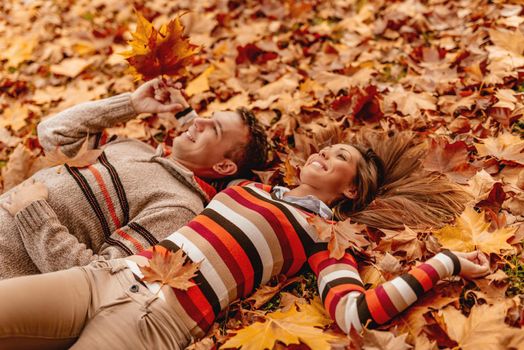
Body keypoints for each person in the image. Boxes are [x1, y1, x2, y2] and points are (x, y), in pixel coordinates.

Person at [0, 132, 490, 349]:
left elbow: (354, 315)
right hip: (104, 278)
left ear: (352, 188)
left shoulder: (326, 237)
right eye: (326, 146)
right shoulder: (245, 187)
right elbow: (187, 163)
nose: (323, 152)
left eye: (338, 156)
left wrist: (444, 264)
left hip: (152, 324)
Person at [0, 78, 268, 279]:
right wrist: (130, 104)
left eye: (215, 129)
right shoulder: (135, 147)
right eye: (208, 117)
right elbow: (52, 133)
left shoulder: (179, 207)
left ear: (223, 166)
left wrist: (34, 215)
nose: (199, 122)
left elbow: (99, 278)